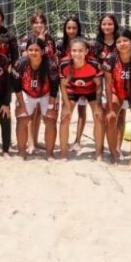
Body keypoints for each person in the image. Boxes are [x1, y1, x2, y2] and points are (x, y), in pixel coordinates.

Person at [103, 29, 131, 169]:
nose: (122, 44)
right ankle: (113, 154)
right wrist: (110, 109)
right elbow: (108, 85)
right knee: (110, 119)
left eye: (125, 41)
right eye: (119, 41)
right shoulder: (111, 59)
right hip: (117, 92)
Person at [12, 36, 60, 160]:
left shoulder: (51, 65)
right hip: (26, 93)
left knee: (50, 120)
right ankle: (22, 151)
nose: (33, 53)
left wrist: (50, 107)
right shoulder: (20, 64)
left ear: (43, 51)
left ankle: (49, 154)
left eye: (37, 50)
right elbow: (16, 87)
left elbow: (55, 87)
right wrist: (21, 105)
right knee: (22, 119)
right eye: (31, 50)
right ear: (26, 51)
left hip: (47, 93)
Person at [18, 12, 57, 153]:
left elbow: (52, 56)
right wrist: (39, 40)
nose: (39, 25)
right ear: (31, 24)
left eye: (41, 22)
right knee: (30, 113)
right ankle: (30, 143)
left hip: (45, 78)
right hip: (30, 79)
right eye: (36, 22)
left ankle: (35, 139)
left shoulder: (50, 39)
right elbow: (24, 56)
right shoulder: (27, 38)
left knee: (40, 112)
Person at [59, 37, 103, 161]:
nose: (76, 54)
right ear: (70, 51)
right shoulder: (64, 64)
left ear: (86, 51)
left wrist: (98, 107)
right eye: (74, 50)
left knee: (99, 117)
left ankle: (98, 153)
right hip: (73, 90)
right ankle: (63, 153)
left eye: (80, 51)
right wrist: (67, 106)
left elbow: (99, 85)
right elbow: (63, 85)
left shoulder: (94, 64)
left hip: (91, 90)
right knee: (64, 118)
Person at [56, 15, 88, 151]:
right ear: (65, 29)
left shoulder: (85, 44)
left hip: (83, 82)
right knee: (66, 111)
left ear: (78, 28)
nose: (71, 30)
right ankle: (65, 141)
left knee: (82, 109)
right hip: (67, 83)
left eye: (74, 28)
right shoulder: (60, 45)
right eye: (68, 28)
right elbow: (58, 65)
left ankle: (77, 140)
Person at [94, 14, 122, 153]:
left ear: (115, 25)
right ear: (100, 26)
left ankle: (117, 147)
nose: (107, 27)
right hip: (102, 83)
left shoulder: (121, 41)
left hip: (120, 82)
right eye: (104, 24)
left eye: (110, 24)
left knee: (120, 114)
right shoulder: (96, 45)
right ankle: (102, 146)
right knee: (103, 113)